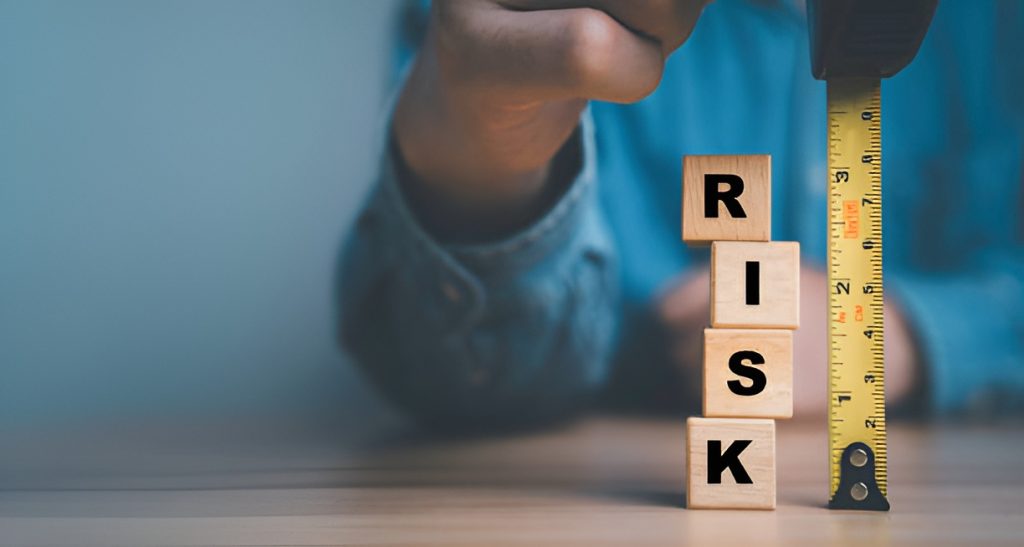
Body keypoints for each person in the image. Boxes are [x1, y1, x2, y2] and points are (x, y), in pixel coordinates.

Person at [339, 0, 1024, 430]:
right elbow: (450, 381)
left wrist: (898, 336)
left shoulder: (994, 24)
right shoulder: (513, 15)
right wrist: (474, 172)